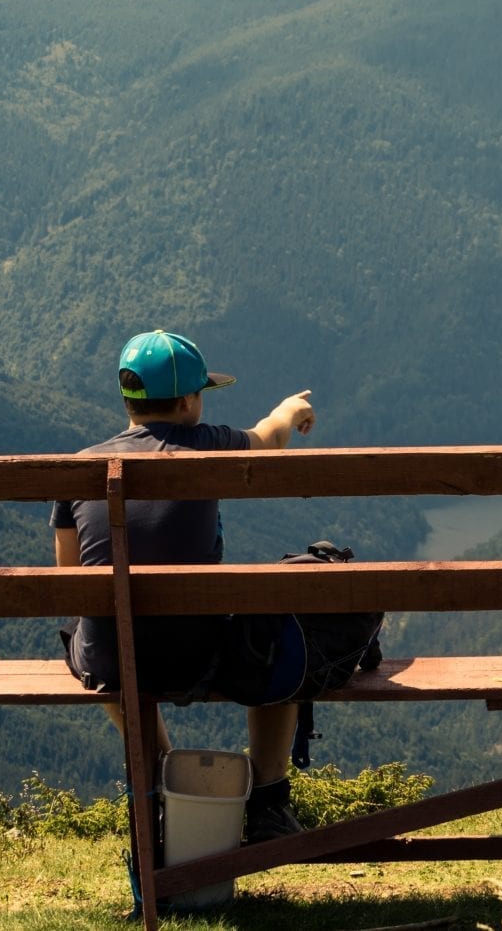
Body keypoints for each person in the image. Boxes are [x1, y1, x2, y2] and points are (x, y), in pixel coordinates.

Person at [52, 328, 317, 844]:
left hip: (111, 661)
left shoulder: (81, 466)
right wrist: (289, 410)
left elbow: (70, 581)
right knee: (279, 631)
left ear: (128, 399)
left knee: (91, 623)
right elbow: (269, 440)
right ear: (190, 401)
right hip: (200, 655)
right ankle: (266, 800)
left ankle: (159, 775)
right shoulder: (209, 445)